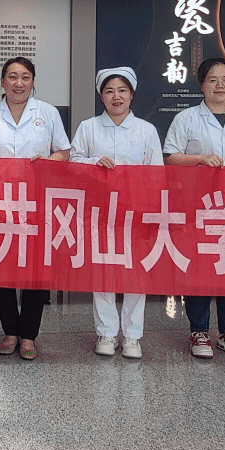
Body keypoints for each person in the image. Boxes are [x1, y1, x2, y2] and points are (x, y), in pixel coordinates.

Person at [163, 56, 225, 361]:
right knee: (200, 264)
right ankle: (199, 330)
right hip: (198, 204)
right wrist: (199, 159)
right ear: (201, 85)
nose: (220, 86)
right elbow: (170, 157)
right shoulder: (186, 119)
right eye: (213, 80)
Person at [0, 56, 70, 360]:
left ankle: (29, 336)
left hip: (36, 203)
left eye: (25, 77)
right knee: (2, 267)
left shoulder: (48, 113)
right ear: (2, 82)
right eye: (12, 77)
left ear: (33, 82)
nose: (18, 83)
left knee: (34, 270)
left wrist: (48, 162)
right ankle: (10, 331)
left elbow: (64, 151)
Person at [69, 67, 163, 359]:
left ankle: (133, 336)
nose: (116, 96)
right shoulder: (88, 127)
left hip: (135, 212)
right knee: (103, 272)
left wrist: (151, 212)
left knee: (136, 274)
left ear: (131, 95)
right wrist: (94, 162)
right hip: (99, 212)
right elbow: (73, 163)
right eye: (109, 91)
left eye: (122, 90)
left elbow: (156, 173)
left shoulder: (146, 130)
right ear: (101, 97)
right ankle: (106, 332)